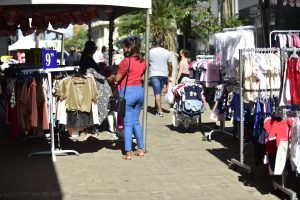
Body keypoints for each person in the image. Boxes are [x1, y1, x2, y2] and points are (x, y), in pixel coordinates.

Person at [109, 36, 146, 160]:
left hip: (128, 93)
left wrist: (112, 77)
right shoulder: (143, 61)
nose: (123, 49)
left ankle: (128, 151)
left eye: (125, 46)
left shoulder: (126, 61)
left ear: (129, 47)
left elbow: (118, 79)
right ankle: (140, 148)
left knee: (127, 123)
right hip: (139, 92)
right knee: (135, 121)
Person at [149, 37, 172, 117]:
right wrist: (170, 75)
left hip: (154, 74)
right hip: (164, 75)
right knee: (158, 92)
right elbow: (170, 65)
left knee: (157, 92)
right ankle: (157, 107)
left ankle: (160, 111)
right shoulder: (167, 52)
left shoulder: (150, 52)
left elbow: (145, 63)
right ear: (162, 43)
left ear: (154, 43)